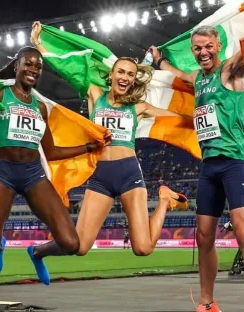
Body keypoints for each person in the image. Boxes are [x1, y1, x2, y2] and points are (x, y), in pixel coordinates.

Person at [27, 21, 189, 285]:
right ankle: (37, 252)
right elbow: (68, 69)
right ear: (111, 75)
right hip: (101, 176)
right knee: (78, 247)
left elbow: (176, 118)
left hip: (129, 175)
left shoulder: (140, 107)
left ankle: (163, 199)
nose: (125, 77)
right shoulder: (95, 95)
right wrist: (40, 46)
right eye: (121, 72)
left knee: (143, 248)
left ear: (133, 79)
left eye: (130, 74)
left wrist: (201, 116)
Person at [0, 46, 109, 280]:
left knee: (71, 242)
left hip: (34, 174)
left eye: (38, 66)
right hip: (3, 173)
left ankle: (37, 252)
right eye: (28, 64)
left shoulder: (40, 107)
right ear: (17, 66)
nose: (33, 69)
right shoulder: (0, 94)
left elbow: (51, 152)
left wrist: (89, 148)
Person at [150, 25, 244, 312]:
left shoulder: (229, 71)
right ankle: (207, 303)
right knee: (204, 235)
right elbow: (178, 74)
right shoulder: (198, 78)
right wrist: (159, 60)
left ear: (218, 45)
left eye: (208, 46)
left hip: (235, 162)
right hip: (209, 165)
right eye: (197, 48)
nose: (203, 52)